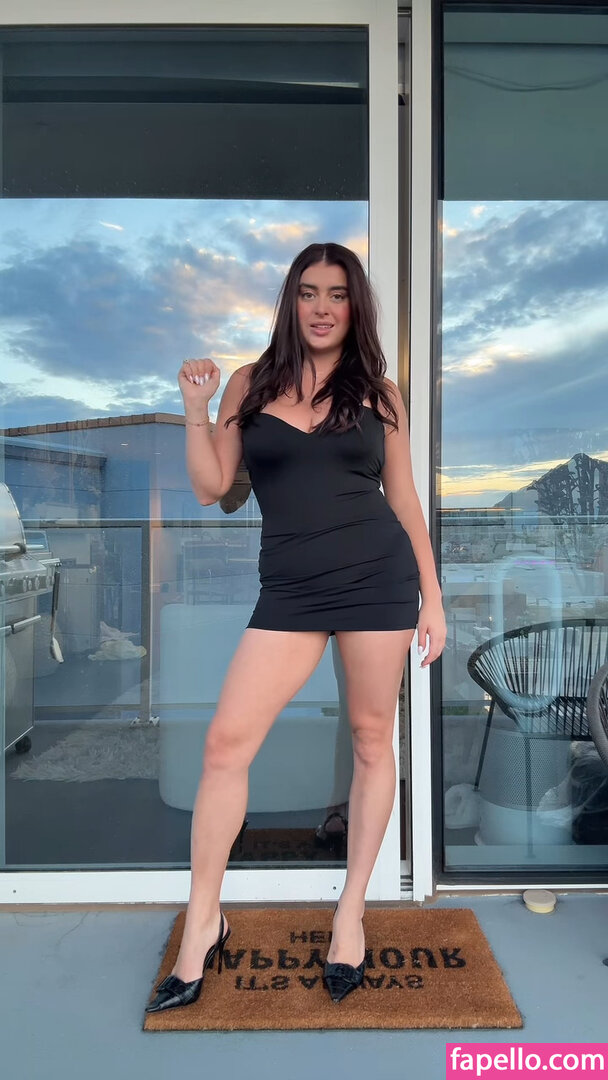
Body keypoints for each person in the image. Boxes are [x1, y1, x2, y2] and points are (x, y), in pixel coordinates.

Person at [145, 242, 446, 1014]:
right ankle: (203, 922)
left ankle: (351, 912)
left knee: (373, 742)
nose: (322, 307)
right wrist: (195, 410)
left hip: (378, 581)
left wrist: (434, 597)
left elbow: (404, 500)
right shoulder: (252, 383)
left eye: (337, 294)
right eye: (309, 292)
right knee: (225, 745)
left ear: (354, 307)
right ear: (291, 301)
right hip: (289, 590)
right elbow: (212, 486)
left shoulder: (379, 393)